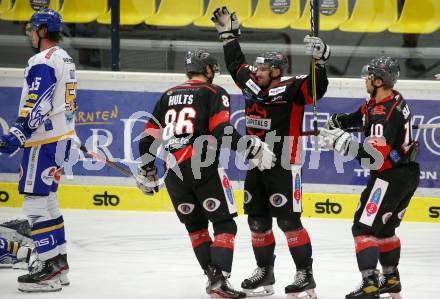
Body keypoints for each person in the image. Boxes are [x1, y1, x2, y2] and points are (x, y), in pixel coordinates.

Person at [211, 6, 330, 299]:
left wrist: (320, 60)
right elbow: (236, 64)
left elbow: (317, 88)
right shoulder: (252, 84)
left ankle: (305, 275)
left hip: (285, 165)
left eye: (263, 69)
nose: (257, 71)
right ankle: (265, 270)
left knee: (289, 221)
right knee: (257, 222)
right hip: (256, 164)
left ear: (276, 71)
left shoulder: (292, 88)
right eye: (258, 68)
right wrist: (228, 36)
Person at [137, 49, 275, 299]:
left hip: (173, 172)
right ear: (208, 70)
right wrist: (250, 147)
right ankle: (219, 280)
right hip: (203, 167)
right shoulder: (213, 92)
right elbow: (222, 130)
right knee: (224, 224)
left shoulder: (168, 95)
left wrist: (147, 171)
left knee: (196, 228)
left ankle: (214, 279)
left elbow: (147, 139)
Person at [319, 56, 420, 299]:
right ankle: (391, 279)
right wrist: (340, 122)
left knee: (362, 227)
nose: (365, 79)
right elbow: (362, 114)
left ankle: (370, 283)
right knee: (385, 229)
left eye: (369, 76)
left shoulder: (382, 115)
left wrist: (344, 146)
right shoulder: (389, 99)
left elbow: (375, 159)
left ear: (378, 80)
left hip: (389, 176)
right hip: (407, 174)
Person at [0, 8, 76, 292]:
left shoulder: (41, 60)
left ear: (43, 30)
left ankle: (46, 269)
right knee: (50, 201)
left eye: (33, 29)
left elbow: (39, 100)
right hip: (62, 138)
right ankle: (59, 264)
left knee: (34, 204)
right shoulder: (66, 58)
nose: (30, 34)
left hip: (43, 141)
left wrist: (18, 133)